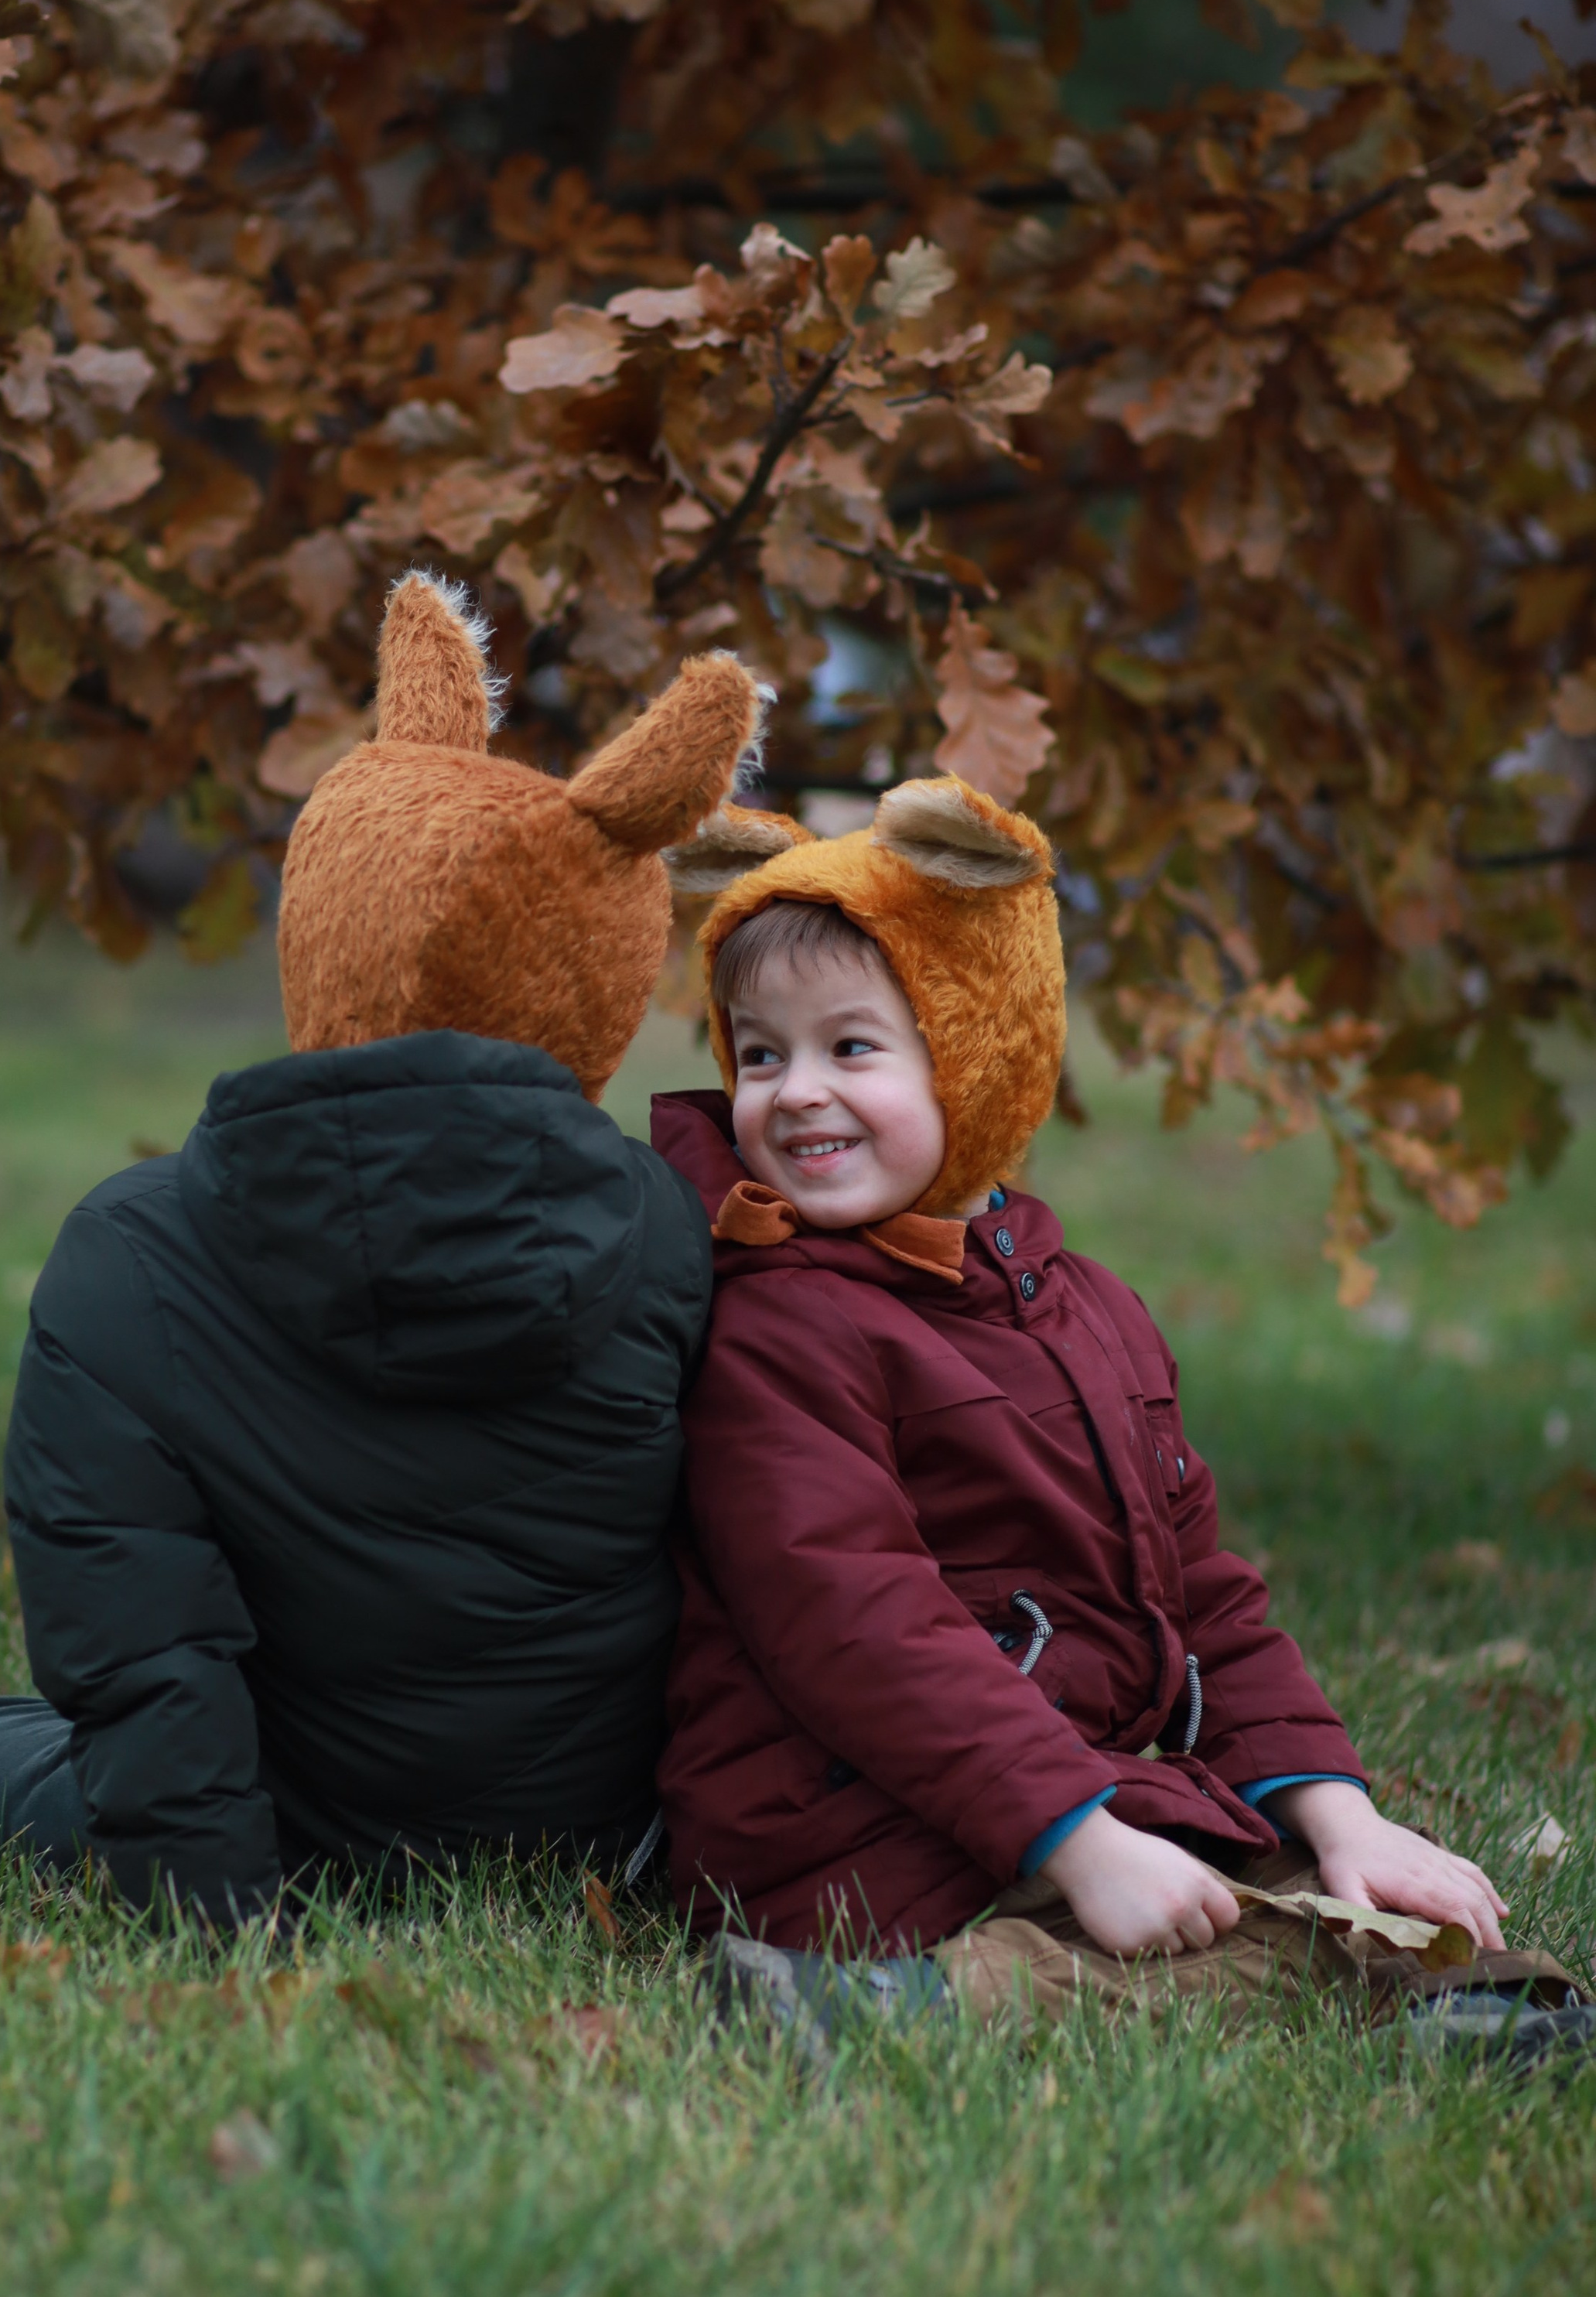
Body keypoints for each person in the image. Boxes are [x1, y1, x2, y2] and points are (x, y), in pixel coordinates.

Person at [0, 573, 765, 1926]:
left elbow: (144, 1652)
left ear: (322, 919)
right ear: (599, 974)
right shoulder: (674, 1229)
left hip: (295, 1814)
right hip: (598, 1827)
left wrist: (218, 1921)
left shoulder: (130, 1255)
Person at [650, 776, 1587, 2062]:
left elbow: (1199, 1594)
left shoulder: (1080, 1309)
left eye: (850, 1047)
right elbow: (860, 1627)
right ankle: (900, 2010)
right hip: (839, 1813)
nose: (795, 1092)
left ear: (978, 1047)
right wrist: (1079, 1838)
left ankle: (1428, 1971)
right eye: (761, 1053)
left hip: (1028, 1784)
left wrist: (1340, 1812)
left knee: (1306, 1878)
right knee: (1248, 1940)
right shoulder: (780, 1324)